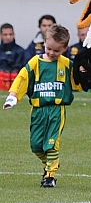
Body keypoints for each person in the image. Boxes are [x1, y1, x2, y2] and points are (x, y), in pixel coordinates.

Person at [3, 24, 80, 188]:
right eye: (49, 48)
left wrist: (85, 73)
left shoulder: (66, 65)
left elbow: (78, 81)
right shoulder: (35, 62)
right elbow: (22, 78)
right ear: (44, 42)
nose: (52, 53)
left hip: (56, 110)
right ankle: (52, 163)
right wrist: (13, 95)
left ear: (65, 49)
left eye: (57, 51)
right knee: (36, 146)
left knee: (51, 144)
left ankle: (50, 176)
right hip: (37, 110)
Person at [0, 23, 26, 91]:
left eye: (10, 34)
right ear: (1, 35)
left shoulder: (21, 51)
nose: (8, 37)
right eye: (5, 35)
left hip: (16, 86)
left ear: (14, 35)